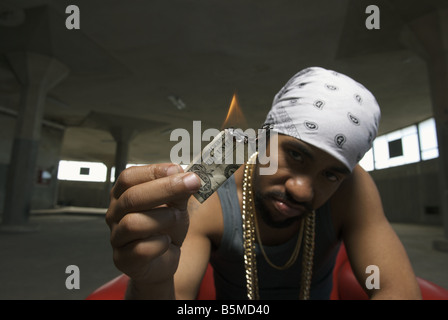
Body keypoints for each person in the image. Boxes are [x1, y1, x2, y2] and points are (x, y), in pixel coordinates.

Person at [105, 67, 422, 300]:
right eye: (296, 154)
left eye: (330, 174)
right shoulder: (213, 182)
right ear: (263, 137)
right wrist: (151, 282)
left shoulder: (352, 187)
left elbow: (398, 290)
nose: (302, 190)